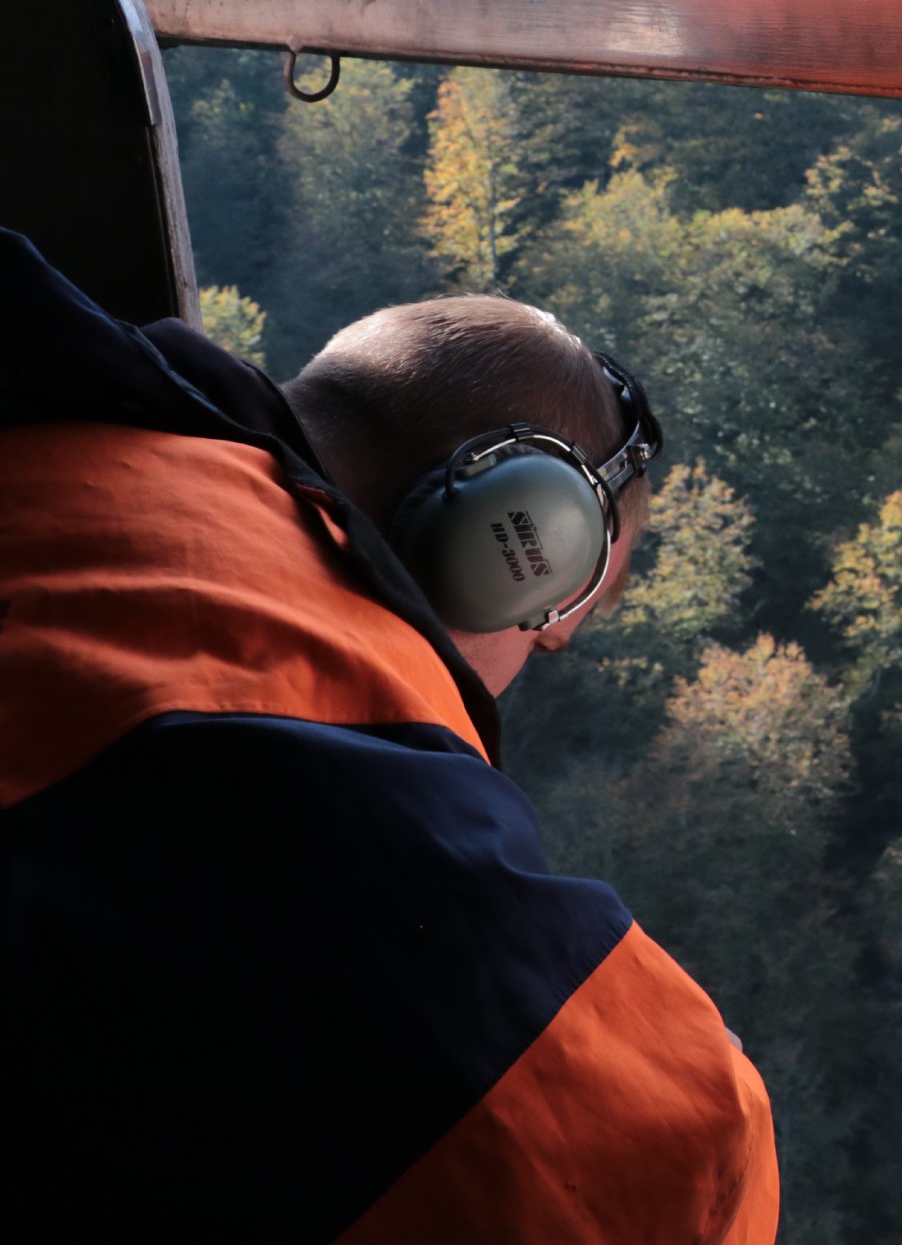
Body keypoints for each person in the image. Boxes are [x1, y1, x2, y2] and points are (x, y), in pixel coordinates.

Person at [0, 227, 778, 1244]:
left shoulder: (71, 432)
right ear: (511, 548)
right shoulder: (320, 774)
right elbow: (673, 1166)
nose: (527, 659)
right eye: (547, 622)